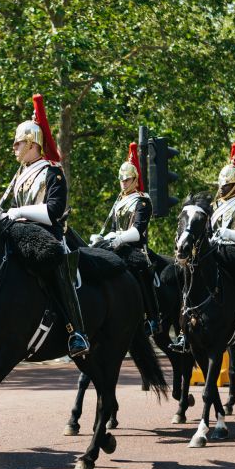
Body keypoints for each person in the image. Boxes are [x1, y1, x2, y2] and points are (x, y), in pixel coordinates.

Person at [0, 94, 89, 358]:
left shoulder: (52, 172)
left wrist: (18, 211)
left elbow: (53, 211)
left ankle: (76, 331)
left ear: (30, 144)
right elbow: (8, 207)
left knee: (55, 263)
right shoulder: (20, 174)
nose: (14, 148)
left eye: (17, 144)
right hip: (17, 231)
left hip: (46, 233)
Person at [173, 143, 235, 352]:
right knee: (187, 272)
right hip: (213, 251)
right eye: (221, 184)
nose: (222, 187)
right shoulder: (213, 208)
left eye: (226, 185)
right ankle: (183, 330)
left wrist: (229, 234)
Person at [90, 143, 160, 336]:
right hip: (116, 244)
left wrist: (119, 239)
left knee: (141, 269)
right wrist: (103, 238)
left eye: (127, 179)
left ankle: (153, 317)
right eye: (121, 179)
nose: (123, 182)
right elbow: (113, 228)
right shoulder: (119, 202)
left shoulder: (143, 200)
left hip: (135, 247)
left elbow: (138, 231)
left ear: (135, 179)